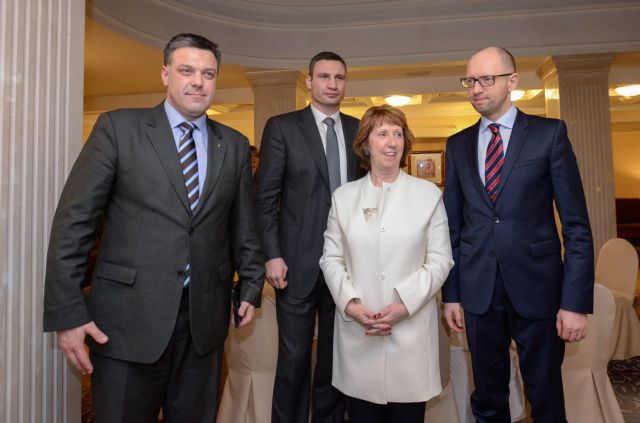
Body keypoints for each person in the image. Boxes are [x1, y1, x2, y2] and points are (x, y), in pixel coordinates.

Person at [43, 33, 265, 422]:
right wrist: (68, 314)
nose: (198, 82)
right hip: (127, 321)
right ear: (165, 74)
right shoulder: (118, 129)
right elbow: (74, 223)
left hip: (204, 322)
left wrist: (250, 283)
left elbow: (243, 223)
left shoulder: (232, 144)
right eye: (186, 70)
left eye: (208, 73)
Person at [442, 46, 594, 423]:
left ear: (512, 81)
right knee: (488, 398)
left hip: (539, 289)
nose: (476, 88)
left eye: (486, 79)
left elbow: (576, 225)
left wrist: (575, 302)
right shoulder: (457, 145)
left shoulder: (549, 134)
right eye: (470, 81)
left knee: (545, 397)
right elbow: (453, 228)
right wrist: (452, 294)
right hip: (479, 292)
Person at [319, 105, 454, 422]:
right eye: (382, 134)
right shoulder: (344, 197)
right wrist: (351, 304)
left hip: (410, 333)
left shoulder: (427, 195)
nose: (392, 142)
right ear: (366, 144)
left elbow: (440, 260)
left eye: (398, 134)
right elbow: (331, 258)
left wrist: (404, 305)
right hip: (359, 332)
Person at [254, 51, 362, 423]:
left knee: (336, 361)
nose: (333, 84)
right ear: (310, 81)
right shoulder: (283, 127)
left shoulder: (358, 129)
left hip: (347, 266)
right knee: (294, 360)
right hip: (295, 263)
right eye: (325, 76)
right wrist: (272, 254)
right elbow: (265, 199)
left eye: (340, 78)